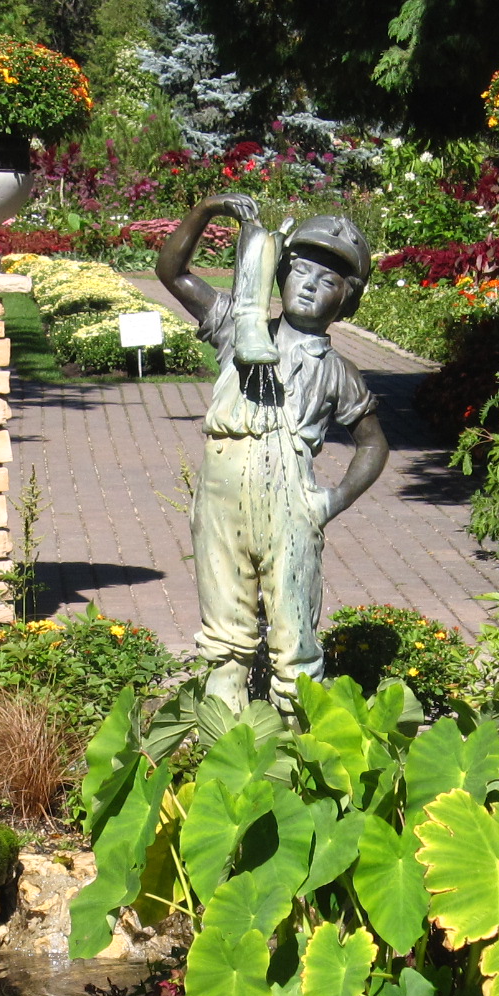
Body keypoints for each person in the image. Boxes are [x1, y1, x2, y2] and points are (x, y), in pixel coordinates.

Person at [155, 193, 389, 712]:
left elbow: (373, 442)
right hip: (221, 494)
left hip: (292, 504)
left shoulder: (339, 374)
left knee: (294, 637)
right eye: (302, 270)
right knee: (223, 639)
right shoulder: (236, 328)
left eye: (329, 280)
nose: (310, 284)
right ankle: (223, 745)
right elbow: (172, 272)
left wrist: (332, 500)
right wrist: (206, 210)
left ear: (347, 299)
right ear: (280, 273)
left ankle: (299, 749)